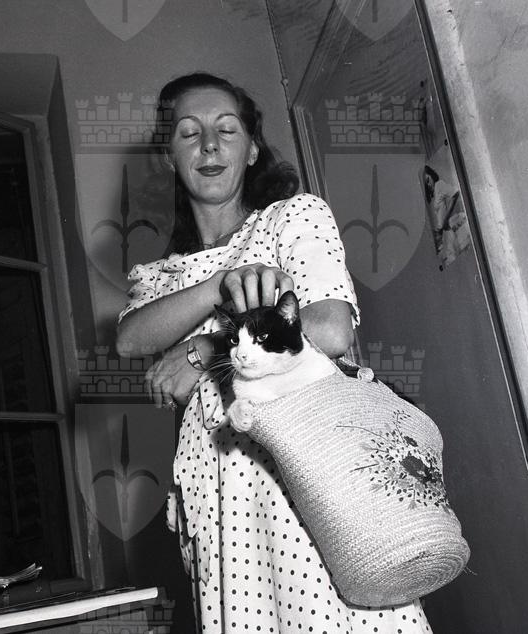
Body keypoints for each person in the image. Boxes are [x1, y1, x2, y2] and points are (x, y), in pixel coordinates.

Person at [117, 72, 432, 632]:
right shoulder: (160, 274)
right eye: (188, 133)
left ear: (252, 149)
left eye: (226, 130)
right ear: (168, 156)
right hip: (217, 492)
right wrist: (220, 286)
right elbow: (130, 339)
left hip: (301, 470)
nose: (208, 145)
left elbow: (330, 330)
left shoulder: (292, 217)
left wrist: (205, 348)